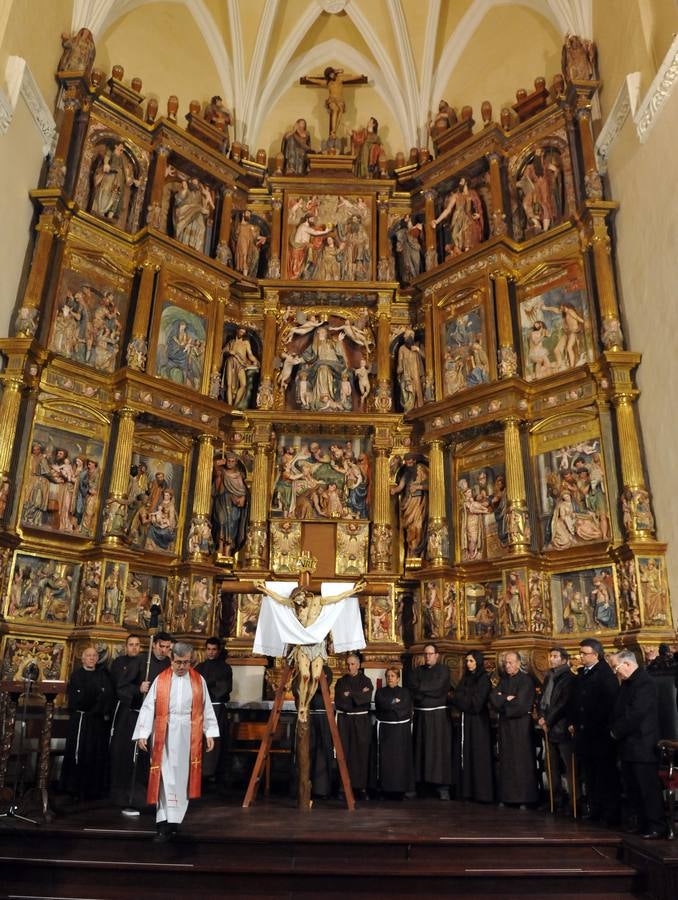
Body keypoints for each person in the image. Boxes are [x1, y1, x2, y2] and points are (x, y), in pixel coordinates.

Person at [133, 641, 219, 841]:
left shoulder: (198, 680)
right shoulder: (161, 679)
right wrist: (143, 733)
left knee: (181, 779)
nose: (182, 667)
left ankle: (174, 821)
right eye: (178, 662)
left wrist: (210, 732)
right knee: (164, 778)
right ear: (171, 660)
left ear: (191, 661)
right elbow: (149, 707)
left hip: (188, 735)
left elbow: (206, 707)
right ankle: (163, 822)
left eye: (186, 663)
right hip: (165, 734)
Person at [610, 650, 666, 838]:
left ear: (627, 664)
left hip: (643, 744)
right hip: (628, 744)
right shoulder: (627, 683)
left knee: (647, 788)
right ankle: (642, 823)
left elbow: (636, 713)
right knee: (633, 789)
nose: (615, 672)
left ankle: (657, 826)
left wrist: (615, 731)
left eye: (616, 667)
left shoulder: (645, 683)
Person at [569, 638, 620, 825]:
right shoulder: (582, 674)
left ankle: (609, 814)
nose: (580, 656)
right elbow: (575, 701)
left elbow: (608, 705)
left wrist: (591, 722)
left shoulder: (605, 675)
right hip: (584, 734)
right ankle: (595, 810)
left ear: (596, 655)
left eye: (584, 653)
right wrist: (574, 721)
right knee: (589, 776)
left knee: (604, 776)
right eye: (580, 653)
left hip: (600, 734)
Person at [60, 646, 114, 800]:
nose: (91, 658)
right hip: (81, 720)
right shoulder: (77, 675)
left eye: (94, 656)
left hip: (97, 722)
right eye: (88, 655)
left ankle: (92, 790)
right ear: (82, 659)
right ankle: (74, 788)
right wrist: (98, 697)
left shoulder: (103, 675)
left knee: (95, 753)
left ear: (97, 659)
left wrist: (98, 701)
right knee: (79, 753)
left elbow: (108, 695)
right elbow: (82, 698)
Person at [489, 651, 538, 808]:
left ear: (518, 663)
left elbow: (521, 704)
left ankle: (524, 798)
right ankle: (507, 797)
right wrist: (506, 698)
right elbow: (493, 698)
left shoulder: (526, 681)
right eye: (505, 663)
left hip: (521, 726)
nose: (507, 665)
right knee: (506, 760)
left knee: (521, 761)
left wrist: (502, 699)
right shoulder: (503, 680)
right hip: (505, 726)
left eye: (510, 662)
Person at [409, 644, 451, 800]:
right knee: (420, 750)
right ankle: (421, 785)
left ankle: (441, 786)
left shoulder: (443, 670)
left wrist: (422, 689)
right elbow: (413, 688)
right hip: (421, 716)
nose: (427, 656)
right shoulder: (417, 671)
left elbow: (440, 688)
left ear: (437, 655)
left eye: (430, 654)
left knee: (438, 751)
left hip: (437, 717)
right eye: (425, 654)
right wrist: (427, 690)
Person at [451, 650, 493, 803]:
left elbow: (477, 704)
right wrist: (464, 700)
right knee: (465, 754)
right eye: (467, 661)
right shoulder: (465, 678)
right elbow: (456, 696)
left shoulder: (484, 679)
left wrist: (462, 700)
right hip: (466, 720)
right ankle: (466, 791)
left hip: (478, 723)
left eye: (471, 661)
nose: (468, 664)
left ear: (478, 662)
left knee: (478, 755)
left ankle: (481, 793)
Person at [537, 647, 576, 814]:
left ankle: (574, 802)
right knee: (551, 767)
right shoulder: (549, 677)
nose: (551, 659)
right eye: (550, 656)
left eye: (555, 656)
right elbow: (542, 699)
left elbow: (562, 703)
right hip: (548, 728)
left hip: (561, 727)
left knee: (569, 767)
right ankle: (555, 800)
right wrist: (541, 716)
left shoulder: (569, 678)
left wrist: (548, 720)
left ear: (563, 659)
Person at [109, 634, 145, 806]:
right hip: (123, 708)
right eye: (131, 644)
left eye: (137, 644)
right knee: (120, 747)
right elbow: (119, 685)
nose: (134, 647)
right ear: (126, 646)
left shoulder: (143, 662)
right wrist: (137, 689)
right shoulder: (119, 663)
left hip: (139, 711)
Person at [334, 654, 373, 798]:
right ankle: (343, 787)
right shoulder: (341, 681)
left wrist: (350, 695)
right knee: (345, 752)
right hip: (345, 721)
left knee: (361, 753)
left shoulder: (366, 681)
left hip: (361, 721)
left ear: (358, 665)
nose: (349, 667)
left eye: (352, 664)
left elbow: (366, 698)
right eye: (348, 664)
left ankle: (360, 787)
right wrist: (358, 695)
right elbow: (340, 701)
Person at [194, 637, 233, 781]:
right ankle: (199, 772)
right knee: (200, 740)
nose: (211, 652)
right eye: (208, 649)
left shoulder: (225, 668)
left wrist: (208, 688)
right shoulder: (199, 667)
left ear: (218, 651)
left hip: (216, 708)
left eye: (214, 649)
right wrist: (209, 686)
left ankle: (212, 773)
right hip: (200, 708)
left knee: (216, 741)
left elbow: (224, 688)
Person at [374, 668, 414, 798]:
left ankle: (400, 788)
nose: (390, 678)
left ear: (398, 678)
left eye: (393, 676)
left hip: (400, 731)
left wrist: (390, 705)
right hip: (386, 731)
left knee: (400, 760)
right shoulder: (380, 691)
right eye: (388, 676)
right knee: (386, 761)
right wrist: (394, 702)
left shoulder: (405, 692)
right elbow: (381, 705)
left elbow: (405, 708)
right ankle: (385, 789)